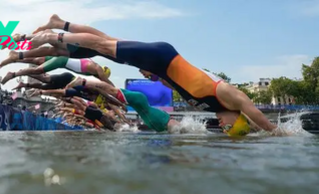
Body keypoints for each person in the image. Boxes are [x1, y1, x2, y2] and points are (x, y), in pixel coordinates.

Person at [29, 14, 286, 137]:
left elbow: (180, 83)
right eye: (230, 128)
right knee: (104, 46)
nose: (224, 127)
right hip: (162, 57)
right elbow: (259, 117)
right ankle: (54, 36)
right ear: (236, 119)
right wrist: (278, 133)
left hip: (159, 68)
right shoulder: (227, 95)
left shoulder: (212, 108)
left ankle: (60, 23)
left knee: (106, 43)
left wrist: (157, 78)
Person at [65, 76, 180, 133]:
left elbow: (112, 103)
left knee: (112, 91)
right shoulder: (163, 121)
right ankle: (83, 81)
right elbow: (111, 101)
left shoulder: (158, 122)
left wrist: (121, 108)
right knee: (112, 90)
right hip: (139, 101)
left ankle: (84, 82)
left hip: (141, 104)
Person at [0, 54, 113, 86]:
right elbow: (106, 82)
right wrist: (118, 93)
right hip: (61, 61)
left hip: (62, 58)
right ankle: (13, 74)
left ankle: (14, 58)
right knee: (37, 70)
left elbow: (102, 80)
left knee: (36, 60)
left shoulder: (94, 69)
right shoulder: (96, 68)